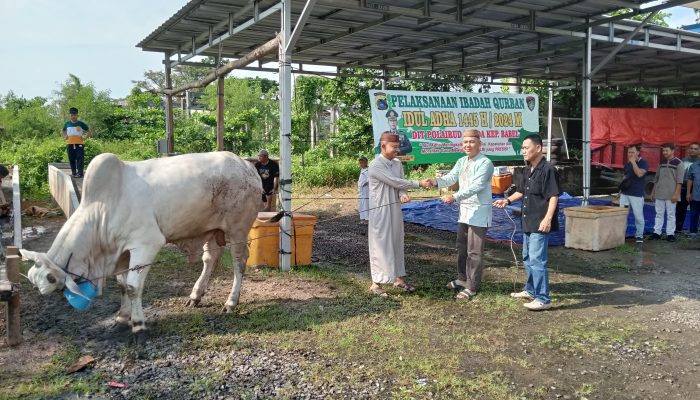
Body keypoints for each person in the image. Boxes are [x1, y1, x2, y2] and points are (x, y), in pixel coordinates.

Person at [422, 129, 494, 300]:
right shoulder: (462, 161)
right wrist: (435, 182)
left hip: (479, 212)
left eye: (471, 141)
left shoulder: (485, 163)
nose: (467, 145)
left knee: (474, 252)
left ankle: (473, 286)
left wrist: (454, 196)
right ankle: (462, 278)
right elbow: (450, 178)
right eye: (465, 142)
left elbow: (476, 186)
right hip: (465, 212)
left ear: (479, 143)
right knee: (462, 248)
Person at [493, 134, 559, 311]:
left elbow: (553, 196)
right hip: (527, 220)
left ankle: (543, 298)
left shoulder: (548, 170)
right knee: (528, 257)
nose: (523, 151)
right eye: (522, 148)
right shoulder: (528, 169)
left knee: (538, 259)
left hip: (540, 221)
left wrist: (548, 218)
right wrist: (507, 201)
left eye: (526, 147)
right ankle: (530, 290)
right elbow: (521, 191)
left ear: (538, 148)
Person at [367, 132, 431, 297]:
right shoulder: (375, 164)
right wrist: (419, 183)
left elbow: (400, 183)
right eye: (393, 147)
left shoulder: (397, 163)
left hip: (395, 208)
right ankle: (376, 284)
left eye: (398, 147)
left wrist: (403, 194)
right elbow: (394, 181)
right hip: (380, 210)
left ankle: (399, 279)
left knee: (397, 241)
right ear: (383, 146)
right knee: (380, 244)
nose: (397, 150)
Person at [650, 143, 684, 242]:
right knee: (659, 213)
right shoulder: (661, 162)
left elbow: (679, 181)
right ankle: (657, 233)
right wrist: (653, 192)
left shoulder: (679, 163)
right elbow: (656, 179)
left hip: (671, 194)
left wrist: (676, 194)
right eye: (663, 150)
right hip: (659, 193)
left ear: (673, 151)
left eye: (666, 150)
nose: (664, 152)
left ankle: (670, 234)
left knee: (671, 214)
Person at [619, 145, 648, 243]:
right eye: (629, 152)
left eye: (632, 152)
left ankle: (639, 235)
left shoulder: (643, 163)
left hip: (637, 194)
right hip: (625, 194)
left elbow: (639, 174)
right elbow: (625, 177)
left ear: (638, 152)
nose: (630, 154)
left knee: (638, 216)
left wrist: (633, 163)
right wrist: (620, 192)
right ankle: (621, 234)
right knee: (622, 215)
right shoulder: (627, 164)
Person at [62, 107, 93, 178]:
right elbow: (63, 130)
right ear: (69, 115)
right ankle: (74, 173)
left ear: (77, 115)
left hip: (79, 144)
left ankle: (80, 173)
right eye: (71, 115)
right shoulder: (67, 123)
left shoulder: (81, 123)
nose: (73, 116)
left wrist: (84, 137)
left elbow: (89, 131)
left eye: (74, 115)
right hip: (69, 143)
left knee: (80, 158)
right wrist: (65, 136)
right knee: (71, 158)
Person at [676, 142, 700, 234]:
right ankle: (678, 229)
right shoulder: (683, 160)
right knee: (680, 209)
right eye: (691, 148)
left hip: (696, 189)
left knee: (695, 211)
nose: (693, 150)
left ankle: (694, 230)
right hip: (684, 188)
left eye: (695, 149)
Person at [686, 160, 700, 238]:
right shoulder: (694, 166)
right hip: (696, 195)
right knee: (694, 214)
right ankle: (693, 232)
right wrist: (688, 193)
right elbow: (690, 179)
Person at [357, 156, 369, 224]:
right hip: (361, 190)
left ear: (366, 162)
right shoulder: (362, 169)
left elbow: (370, 179)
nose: (361, 164)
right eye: (360, 163)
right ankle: (363, 218)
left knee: (366, 204)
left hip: (366, 190)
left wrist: (365, 183)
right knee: (361, 204)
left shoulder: (368, 170)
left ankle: (367, 219)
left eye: (362, 163)